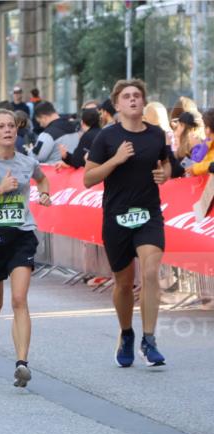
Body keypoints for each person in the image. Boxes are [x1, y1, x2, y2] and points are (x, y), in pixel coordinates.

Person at [84, 79, 171, 367]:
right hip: (116, 217)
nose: (133, 100)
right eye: (127, 96)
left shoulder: (157, 135)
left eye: (137, 95)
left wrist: (165, 174)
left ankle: (149, 339)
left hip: (148, 215)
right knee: (122, 283)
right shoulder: (107, 138)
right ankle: (127, 334)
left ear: (143, 102)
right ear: (118, 104)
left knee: (149, 272)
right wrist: (116, 160)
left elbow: (167, 162)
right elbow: (88, 178)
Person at [0, 109, 52, 388]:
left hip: (21, 235)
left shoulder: (28, 162)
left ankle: (22, 363)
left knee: (19, 299)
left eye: (11, 126)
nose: (7, 130)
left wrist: (45, 192)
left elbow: (42, 177)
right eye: (1, 126)